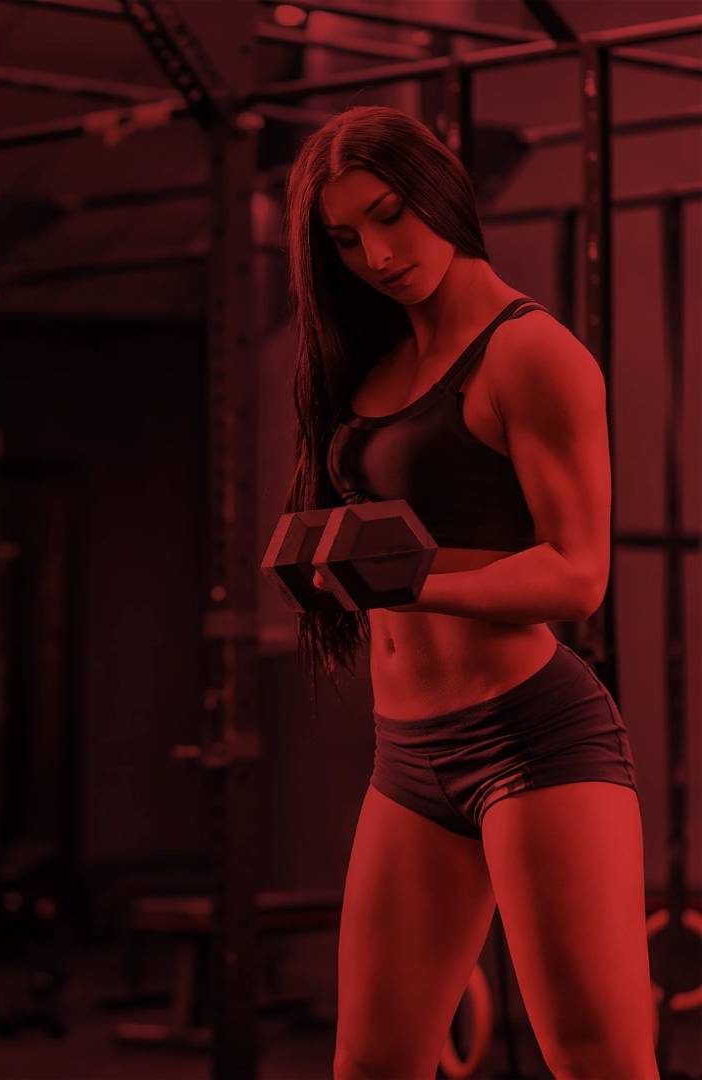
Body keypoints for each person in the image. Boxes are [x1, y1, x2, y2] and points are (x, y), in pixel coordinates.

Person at [282, 105, 659, 1080]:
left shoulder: (532, 353)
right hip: (407, 755)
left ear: (443, 194)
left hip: (532, 739)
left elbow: (578, 572)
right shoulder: (376, 360)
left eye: (393, 214)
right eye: (346, 236)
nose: (376, 251)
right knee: (371, 1063)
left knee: (597, 1061)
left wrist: (405, 577)